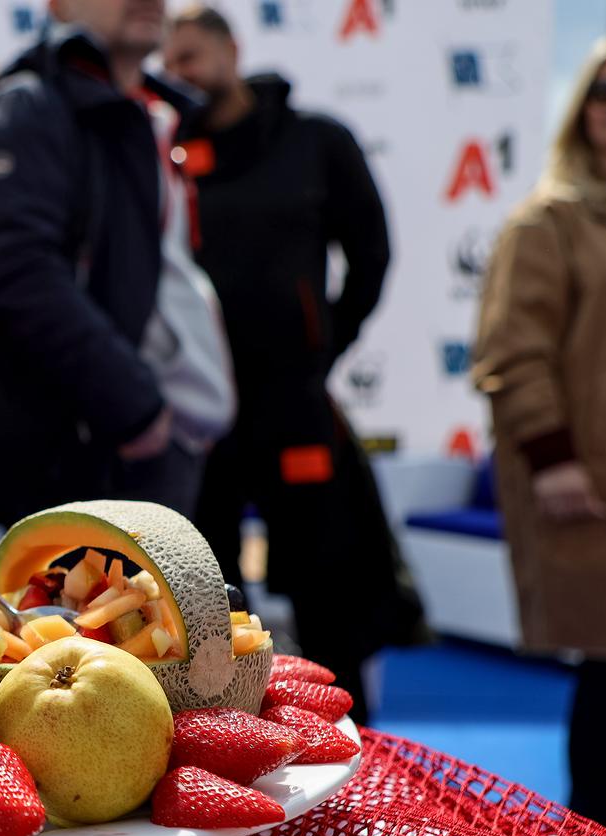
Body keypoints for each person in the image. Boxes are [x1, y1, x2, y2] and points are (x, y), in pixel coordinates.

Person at [164, 5, 419, 721]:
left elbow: (370, 252)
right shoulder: (162, 154)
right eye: (170, 63)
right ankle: (221, 735)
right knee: (203, 593)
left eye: (192, 56)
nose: (181, 74)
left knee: (328, 581)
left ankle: (353, 739)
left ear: (232, 50)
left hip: (293, 403)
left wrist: (321, 345)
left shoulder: (315, 140)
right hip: (198, 409)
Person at [0, 0, 210, 518]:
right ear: (58, 5)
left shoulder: (161, 115)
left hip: (164, 441)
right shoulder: (31, 105)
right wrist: (134, 409)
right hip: (96, 452)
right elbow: (18, 274)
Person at [473, 37, 606, 827]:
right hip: (593, 478)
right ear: (580, 110)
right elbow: (511, 353)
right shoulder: (547, 221)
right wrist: (553, 459)